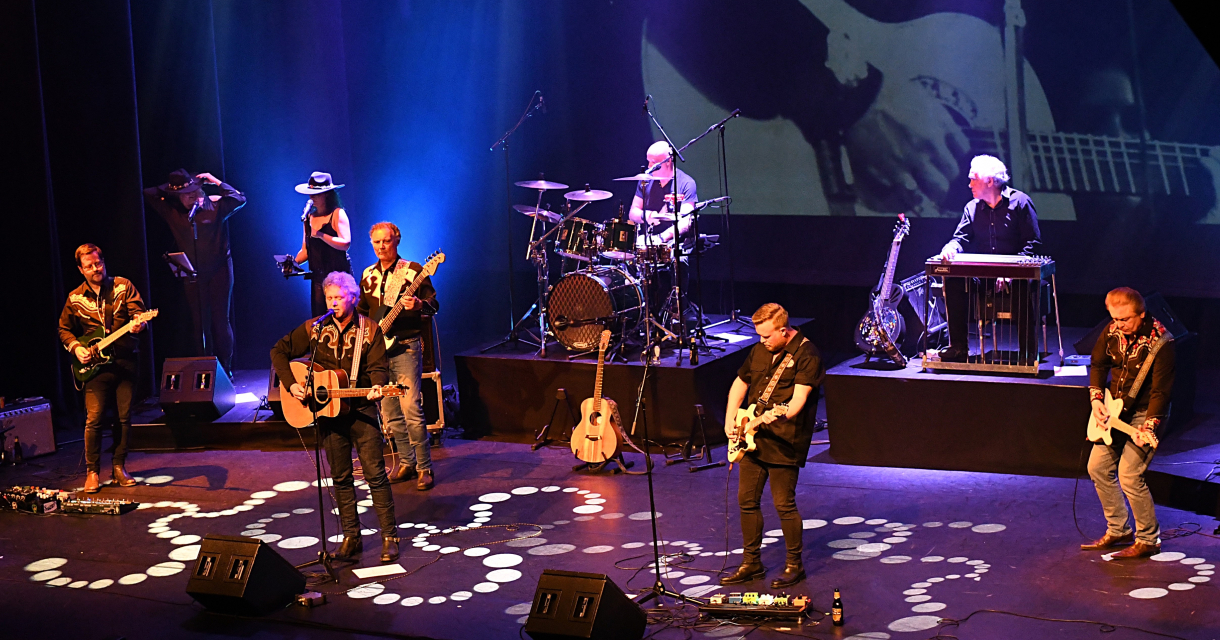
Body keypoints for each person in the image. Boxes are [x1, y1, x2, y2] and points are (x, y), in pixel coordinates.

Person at [270, 271, 398, 563]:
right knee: (340, 477)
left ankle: (389, 537)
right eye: (329, 298)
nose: (334, 303)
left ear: (352, 298)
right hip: (328, 413)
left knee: (375, 475)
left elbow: (379, 367)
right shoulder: (315, 327)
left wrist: (377, 386)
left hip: (361, 410)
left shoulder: (370, 329)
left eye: (339, 298)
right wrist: (292, 384)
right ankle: (351, 536)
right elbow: (279, 351)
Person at [721, 303, 825, 589]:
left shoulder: (807, 354)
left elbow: (795, 404)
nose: (762, 341)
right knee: (747, 501)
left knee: (784, 505)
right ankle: (751, 562)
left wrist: (766, 418)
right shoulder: (760, 349)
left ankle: (794, 565)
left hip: (784, 440)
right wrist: (732, 419)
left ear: (783, 330)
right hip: (751, 440)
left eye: (767, 336)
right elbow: (741, 383)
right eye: (759, 336)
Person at [1082, 288, 1174, 559]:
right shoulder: (1111, 331)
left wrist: (1149, 426)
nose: (1119, 325)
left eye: (1125, 320)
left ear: (1141, 314)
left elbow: (1161, 391)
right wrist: (1097, 399)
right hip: (1116, 410)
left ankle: (1148, 539)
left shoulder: (1162, 342)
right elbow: (1098, 364)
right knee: (1097, 467)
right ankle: (1119, 529)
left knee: (1130, 474)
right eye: (1115, 319)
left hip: (1146, 413)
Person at [57, 244, 147, 494]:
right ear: (81, 269)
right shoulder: (75, 297)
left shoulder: (122, 286)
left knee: (124, 418)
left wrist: (139, 324)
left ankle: (119, 467)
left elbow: (138, 313)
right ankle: (92, 471)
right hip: (94, 367)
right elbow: (64, 329)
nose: (95, 269)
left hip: (125, 361)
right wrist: (76, 348)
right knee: (94, 419)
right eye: (89, 266)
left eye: (98, 263)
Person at [357, 222, 440, 491]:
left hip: (405, 346)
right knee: (390, 412)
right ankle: (406, 463)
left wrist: (418, 305)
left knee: (411, 409)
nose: (382, 246)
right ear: (371, 243)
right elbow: (362, 312)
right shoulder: (367, 274)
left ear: (397, 241)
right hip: (379, 353)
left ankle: (424, 467)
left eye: (387, 241)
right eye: (377, 242)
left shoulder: (413, 270)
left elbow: (434, 305)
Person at [936, 155, 1042, 362]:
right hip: (984, 276)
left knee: (1021, 285)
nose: (969, 184)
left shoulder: (1020, 202)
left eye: (973, 179)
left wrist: (1011, 273)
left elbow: (1033, 243)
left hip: (1016, 275)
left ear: (990, 181)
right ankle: (958, 347)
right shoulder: (972, 208)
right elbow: (961, 238)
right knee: (954, 279)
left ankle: (1027, 353)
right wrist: (951, 246)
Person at [143, 168, 246, 373]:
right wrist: (169, 189)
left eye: (193, 191)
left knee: (219, 319)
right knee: (199, 322)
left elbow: (239, 198)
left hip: (220, 269)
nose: (191, 197)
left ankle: (226, 368)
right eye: (185, 194)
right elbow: (148, 193)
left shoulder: (214, 207)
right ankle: (205, 367)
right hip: (193, 274)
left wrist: (213, 181)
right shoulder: (173, 212)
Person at [292, 172, 353, 316]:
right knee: (320, 320)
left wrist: (320, 235)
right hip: (318, 279)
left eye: (316, 194)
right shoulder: (309, 217)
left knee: (341, 317)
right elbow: (306, 250)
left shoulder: (337, 213)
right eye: (310, 194)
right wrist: (292, 264)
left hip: (339, 277)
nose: (312, 197)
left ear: (326, 194)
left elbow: (345, 243)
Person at [628, 141, 698, 247]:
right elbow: (633, 212)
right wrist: (648, 215)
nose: (649, 167)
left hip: (675, 244)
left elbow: (685, 222)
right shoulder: (645, 180)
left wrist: (661, 238)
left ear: (668, 161)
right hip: (648, 241)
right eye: (648, 162)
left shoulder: (686, 183)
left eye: (653, 162)